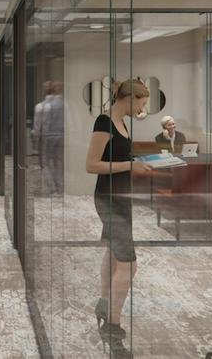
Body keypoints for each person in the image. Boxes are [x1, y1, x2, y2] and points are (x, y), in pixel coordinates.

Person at [85, 78, 150, 355]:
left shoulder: (122, 123)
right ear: (131, 98)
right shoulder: (104, 122)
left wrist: (137, 163)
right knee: (129, 265)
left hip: (121, 198)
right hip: (109, 199)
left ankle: (104, 303)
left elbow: (119, 157)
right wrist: (130, 165)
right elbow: (91, 165)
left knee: (114, 254)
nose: (142, 108)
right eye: (142, 103)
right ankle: (112, 326)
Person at [32, 81, 64, 195]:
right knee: (58, 162)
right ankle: (59, 187)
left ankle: (53, 189)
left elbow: (38, 126)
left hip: (47, 137)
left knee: (45, 163)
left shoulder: (41, 106)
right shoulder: (63, 104)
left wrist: (36, 142)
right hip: (61, 136)